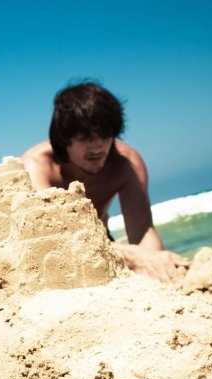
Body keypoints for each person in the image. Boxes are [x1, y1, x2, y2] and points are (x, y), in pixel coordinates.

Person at [22, 81, 189, 284]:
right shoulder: (37, 166)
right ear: (65, 140)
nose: (97, 146)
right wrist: (136, 257)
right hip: (50, 251)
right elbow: (57, 237)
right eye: (85, 138)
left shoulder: (126, 164)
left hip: (103, 242)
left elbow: (143, 232)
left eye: (104, 135)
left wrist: (158, 266)